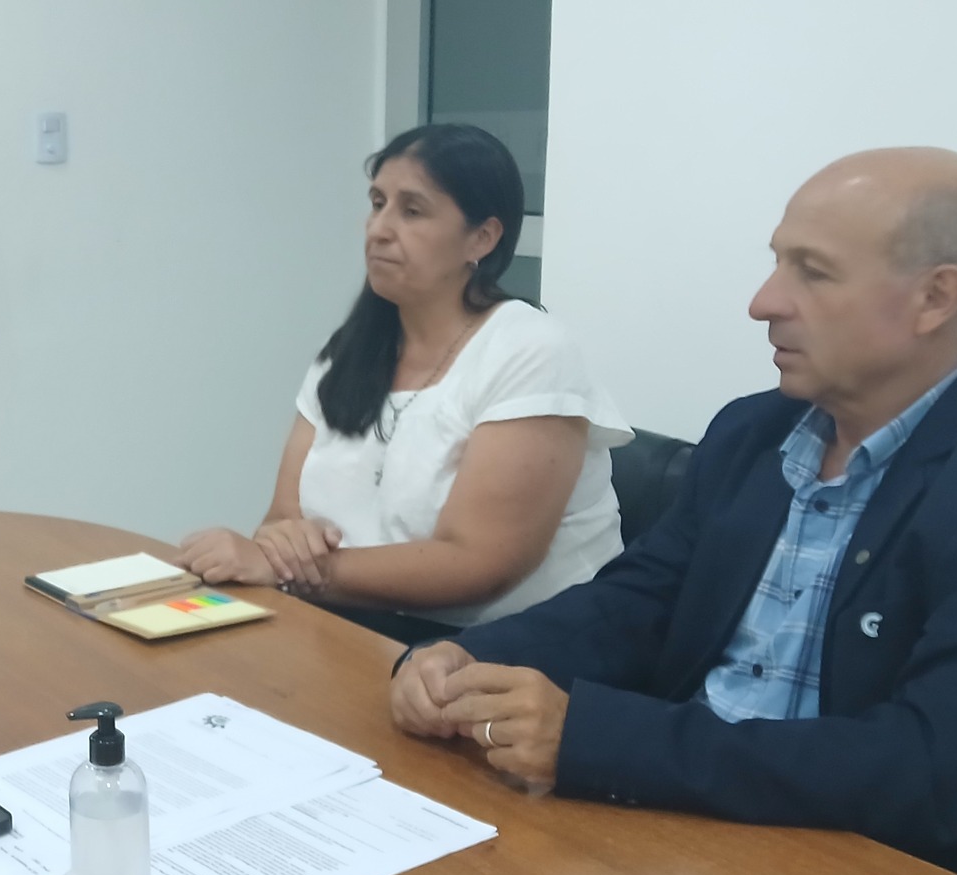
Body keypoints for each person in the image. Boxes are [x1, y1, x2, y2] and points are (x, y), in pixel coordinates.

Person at [392, 147, 957, 875]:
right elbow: (638, 603)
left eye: (812, 272)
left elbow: (932, 769)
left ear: (935, 297)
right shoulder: (754, 432)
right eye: (776, 262)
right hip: (690, 847)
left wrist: (598, 741)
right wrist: (467, 659)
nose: (763, 302)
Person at [175, 124, 629, 641]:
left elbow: (479, 565)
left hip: (505, 646)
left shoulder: (531, 351)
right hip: (348, 623)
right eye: (377, 204)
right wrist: (283, 548)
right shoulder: (349, 351)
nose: (379, 229)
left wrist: (290, 569)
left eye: (412, 211)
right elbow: (280, 520)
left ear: (482, 238)